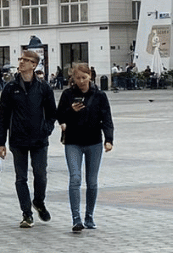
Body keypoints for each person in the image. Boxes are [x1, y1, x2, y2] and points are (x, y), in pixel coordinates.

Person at [0, 48, 57, 228]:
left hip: (39, 139)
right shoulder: (10, 88)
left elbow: (52, 113)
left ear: (34, 65)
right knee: (20, 178)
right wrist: (1, 142)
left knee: (40, 175)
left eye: (25, 60)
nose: (21, 62)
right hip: (18, 139)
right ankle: (27, 214)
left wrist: (46, 129)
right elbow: (3, 116)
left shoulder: (44, 87)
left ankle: (38, 201)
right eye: (20, 59)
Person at [57, 63, 113, 232]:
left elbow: (107, 118)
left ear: (90, 76)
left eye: (84, 77)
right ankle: (76, 218)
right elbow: (58, 114)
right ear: (72, 78)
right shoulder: (68, 94)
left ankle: (89, 216)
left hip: (94, 141)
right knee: (75, 178)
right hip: (73, 141)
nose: (81, 81)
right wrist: (70, 111)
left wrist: (109, 139)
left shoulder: (99, 95)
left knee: (92, 181)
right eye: (77, 78)